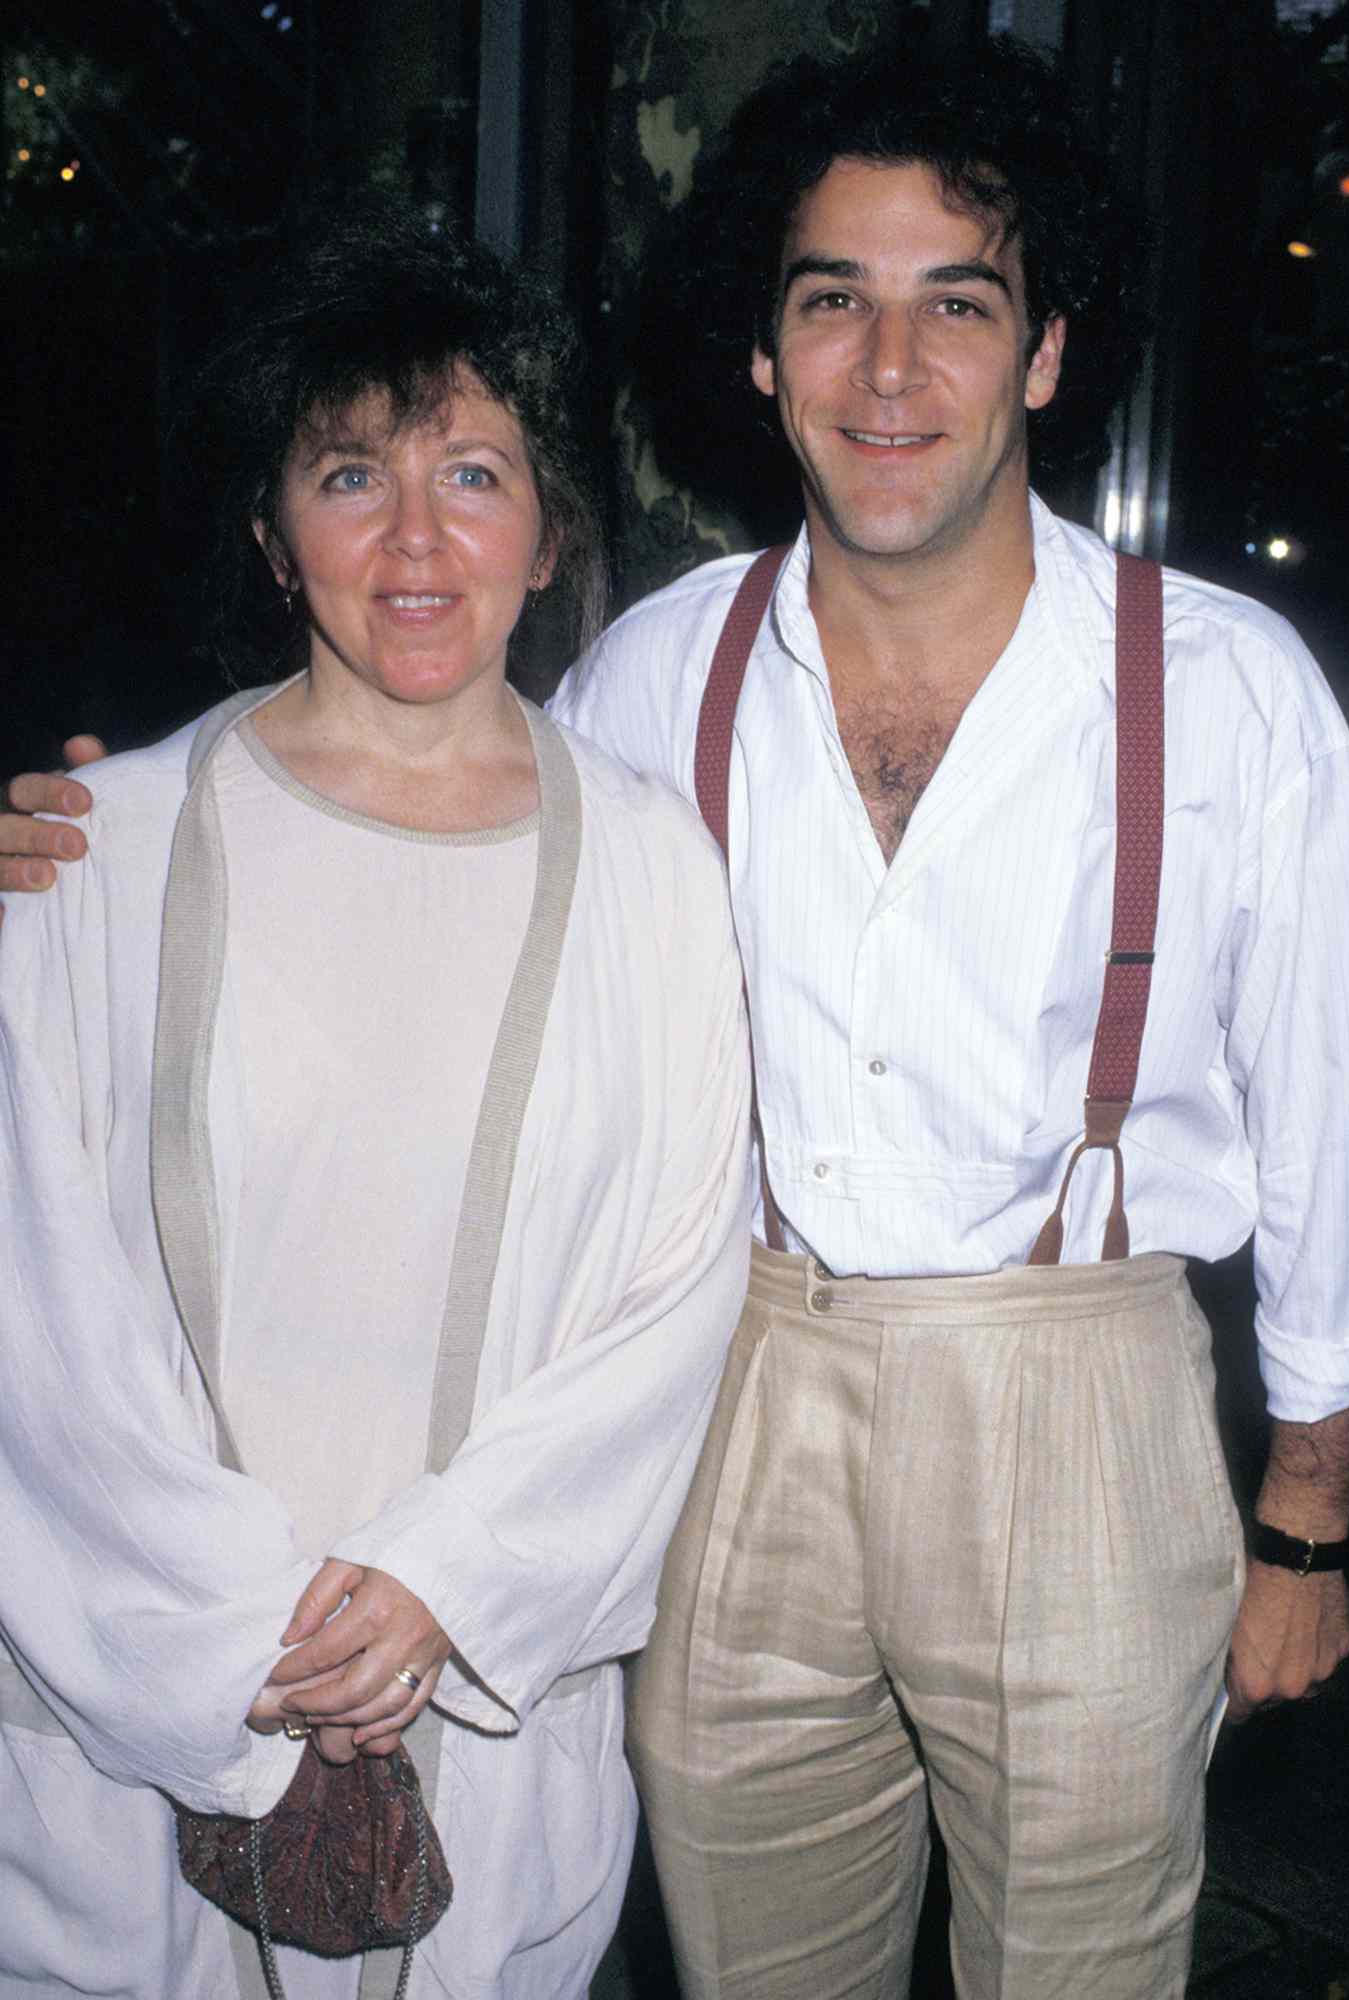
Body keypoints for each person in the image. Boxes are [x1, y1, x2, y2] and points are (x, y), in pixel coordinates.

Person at [5, 35, 1349, 2000]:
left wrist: (1304, 1533)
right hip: (746, 1392)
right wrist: (91, 839)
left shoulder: (1225, 688)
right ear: (762, 355)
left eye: (956, 305)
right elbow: (450, 885)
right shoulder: (658, 673)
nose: (890, 368)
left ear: (1045, 353)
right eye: (831, 303)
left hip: (1074, 1384)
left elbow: (1348, 1117)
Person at [0, 207, 751, 2000]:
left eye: (476, 474)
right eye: (352, 474)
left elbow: (681, 1281)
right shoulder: (100, 860)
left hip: (493, 1725)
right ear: (273, 533)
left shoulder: (656, 867)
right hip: (157, 1715)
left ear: (551, 525)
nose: (417, 539)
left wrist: (452, 1581)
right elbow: (32, 1306)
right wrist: (239, 1627)